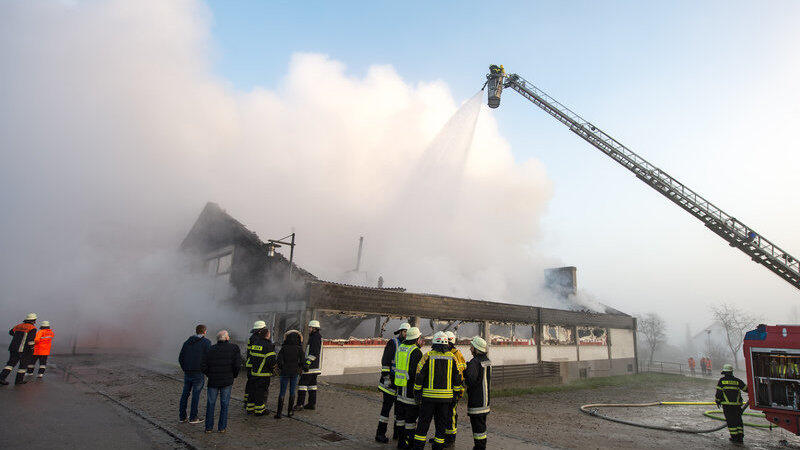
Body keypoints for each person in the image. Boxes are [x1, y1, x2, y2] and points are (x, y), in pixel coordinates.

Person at [412, 331, 464, 450]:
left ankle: (418, 447)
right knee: (441, 426)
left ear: (434, 342)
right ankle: (438, 447)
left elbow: (419, 376)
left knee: (423, 425)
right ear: (447, 344)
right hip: (445, 400)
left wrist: (417, 394)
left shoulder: (427, 356)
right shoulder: (452, 358)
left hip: (428, 399)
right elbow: (458, 378)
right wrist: (455, 395)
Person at [376, 322, 410, 443]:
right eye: (404, 332)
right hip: (389, 383)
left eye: (407, 332)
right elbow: (385, 361)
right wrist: (386, 378)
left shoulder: (407, 346)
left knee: (398, 411)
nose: (406, 334)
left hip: (399, 384)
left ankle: (397, 433)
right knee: (386, 410)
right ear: (400, 332)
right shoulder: (393, 343)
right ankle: (380, 434)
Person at [201, 330, 241, 433]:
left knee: (210, 404)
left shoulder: (211, 349)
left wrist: (209, 375)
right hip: (227, 381)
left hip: (213, 381)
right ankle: (222, 427)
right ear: (227, 338)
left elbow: (203, 365)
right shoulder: (234, 348)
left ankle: (208, 428)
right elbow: (237, 365)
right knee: (225, 404)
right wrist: (233, 375)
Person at [395, 326, 423, 449]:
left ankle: (401, 443)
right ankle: (410, 444)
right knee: (410, 422)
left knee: (400, 420)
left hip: (400, 390)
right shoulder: (416, 351)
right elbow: (415, 373)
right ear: (417, 338)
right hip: (410, 392)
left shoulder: (401, 347)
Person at [464, 337, 491, 450]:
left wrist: (465, 371)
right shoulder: (487, 361)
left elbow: (470, 380)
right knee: (482, 427)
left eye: (472, 347)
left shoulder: (474, 362)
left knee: (477, 427)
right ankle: (481, 446)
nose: (470, 349)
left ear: (476, 349)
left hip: (476, 400)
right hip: (485, 401)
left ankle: (479, 447)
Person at [245, 321, 276, 416]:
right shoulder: (268, 345)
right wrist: (273, 369)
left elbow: (249, 354)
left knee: (252, 389)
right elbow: (270, 361)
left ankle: (249, 407)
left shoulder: (254, 341)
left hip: (253, 369)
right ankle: (259, 410)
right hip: (263, 373)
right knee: (261, 392)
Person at [441, 331, 466, 447]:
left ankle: (450, 438)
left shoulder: (456, 353)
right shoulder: (445, 352)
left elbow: (460, 374)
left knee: (451, 414)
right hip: (445, 390)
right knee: (443, 414)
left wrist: (458, 391)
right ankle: (442, 437)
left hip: (454, 390)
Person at [1, 313, 37, 386]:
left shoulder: (19, 326)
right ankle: (19, 381)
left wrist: (18, 336)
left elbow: (11, 332)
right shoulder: (32, 328)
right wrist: (32, 349)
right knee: (23, 365)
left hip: (13, 348)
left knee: (10, 364)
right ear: (33, 320)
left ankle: (1, 378)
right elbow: (30, 341)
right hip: (23, 349)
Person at [275, 329, 304, 419]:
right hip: (294, 372)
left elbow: (279, 361)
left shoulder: (284, 348)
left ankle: (279, 413)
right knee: (292, 392)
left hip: (285, 372)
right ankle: (290, 412)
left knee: (282, 392)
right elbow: (303, 361)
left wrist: (282, 367)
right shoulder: (299, 349)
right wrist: (298, 367)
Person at [715, 363, 747, 444]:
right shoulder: (737, 381)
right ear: (732, 372)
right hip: (737, 405)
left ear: (724, 372)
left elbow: (719, 393)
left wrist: (717, 401)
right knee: (738, 421)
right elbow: (746, 389)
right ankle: (740, 437)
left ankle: (734, 437)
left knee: (731, 421)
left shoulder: (721, 381)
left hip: (727, 406)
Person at [296, 320, 322, 411]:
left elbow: (314, 353)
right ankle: (311, 404)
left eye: (310, 327)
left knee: (302, 385)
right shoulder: (317, 337)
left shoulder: (314, 338)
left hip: (310, 368)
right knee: (312, 386)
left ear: (314, 328)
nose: (309, 329)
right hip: (315, 368)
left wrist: (306, 364)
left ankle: (300, 404)